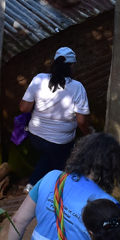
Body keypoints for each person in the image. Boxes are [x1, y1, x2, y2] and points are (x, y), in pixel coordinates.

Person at [20, 47, 92, 189]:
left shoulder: (39, 79)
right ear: (72, 66)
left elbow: (24, 108)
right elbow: (82, 121)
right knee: (65, 167)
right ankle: (60, 192)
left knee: (48, 154)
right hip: (60, 142)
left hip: (35, 136)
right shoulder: (77, 87)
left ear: (54, 62)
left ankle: (31, 184)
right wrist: (90, 136)